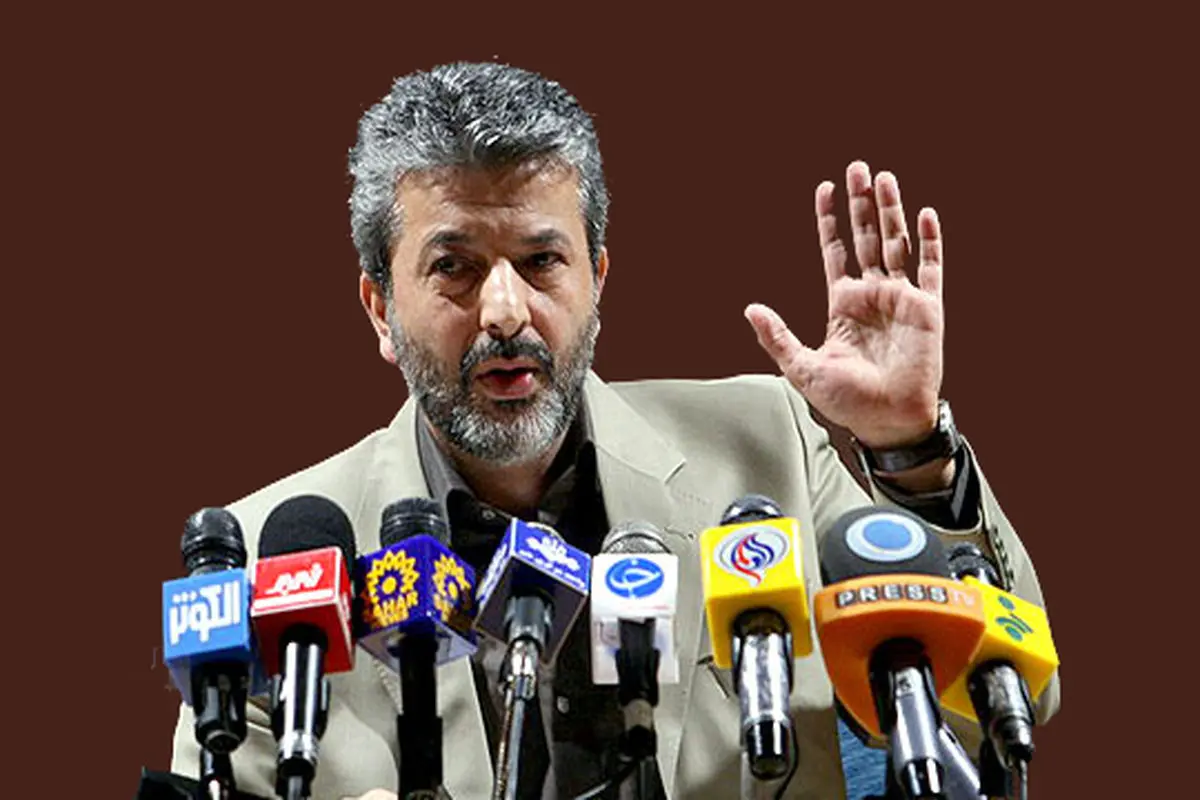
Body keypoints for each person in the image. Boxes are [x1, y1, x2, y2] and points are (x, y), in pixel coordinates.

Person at [169, 61, 1061, 799]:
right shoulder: (274, 559)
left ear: (597, 279)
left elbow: (1005, 702)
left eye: (541, 261)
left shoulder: (764, 446)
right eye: (454, 268)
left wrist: (910, 447)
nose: (505, 311)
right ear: (379, 308)